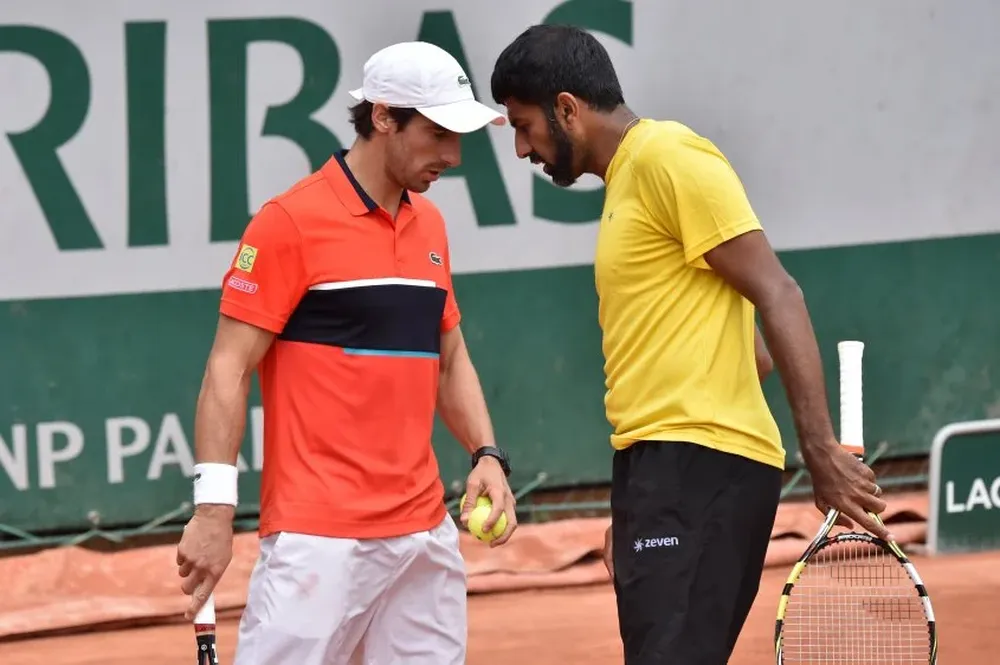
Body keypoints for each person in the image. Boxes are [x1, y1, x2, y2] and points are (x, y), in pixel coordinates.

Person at [490, 25, 890, 665]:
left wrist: (820, 449)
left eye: (523, 125)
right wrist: (641, 503)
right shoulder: (629, 181)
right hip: (666, 473)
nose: (519, 148)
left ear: (567, 109)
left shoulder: (668, 156)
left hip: (699, 467)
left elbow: (779, 293)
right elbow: (748, 349)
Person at [175, 41, 517, 665]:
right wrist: (213, 511)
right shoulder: (288, 223)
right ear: (383, 117)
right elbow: (227, 368)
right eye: (438, 133)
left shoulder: (432, 226)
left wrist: (486, 453)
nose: (453, 156)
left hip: (422, 535)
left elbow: (449, 353)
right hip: (318, 543)